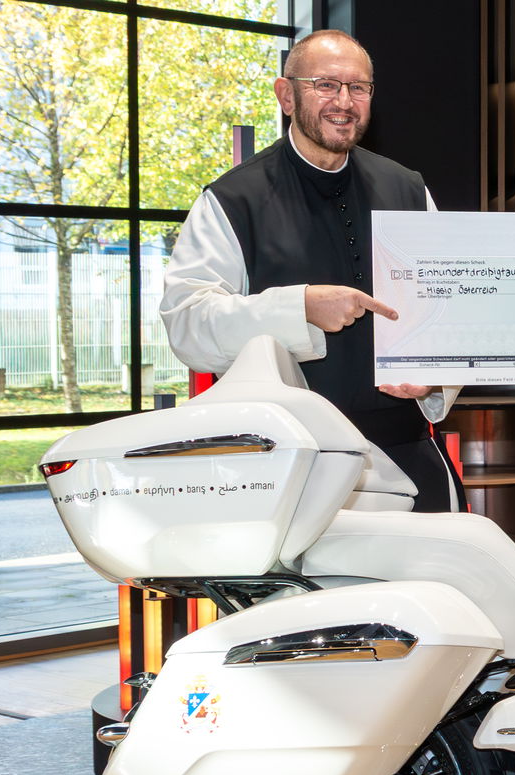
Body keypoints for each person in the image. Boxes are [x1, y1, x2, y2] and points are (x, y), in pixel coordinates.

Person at [161, 29, 463, 512]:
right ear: (286, 96)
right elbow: (187, 323)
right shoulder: (231, 200)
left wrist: (434, 378)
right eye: (325, 85)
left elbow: (447, 308)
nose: (343, 102)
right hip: (287, 467)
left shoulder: (408, 189)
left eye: (358, 87)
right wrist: (297, 307)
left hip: (406, 450)